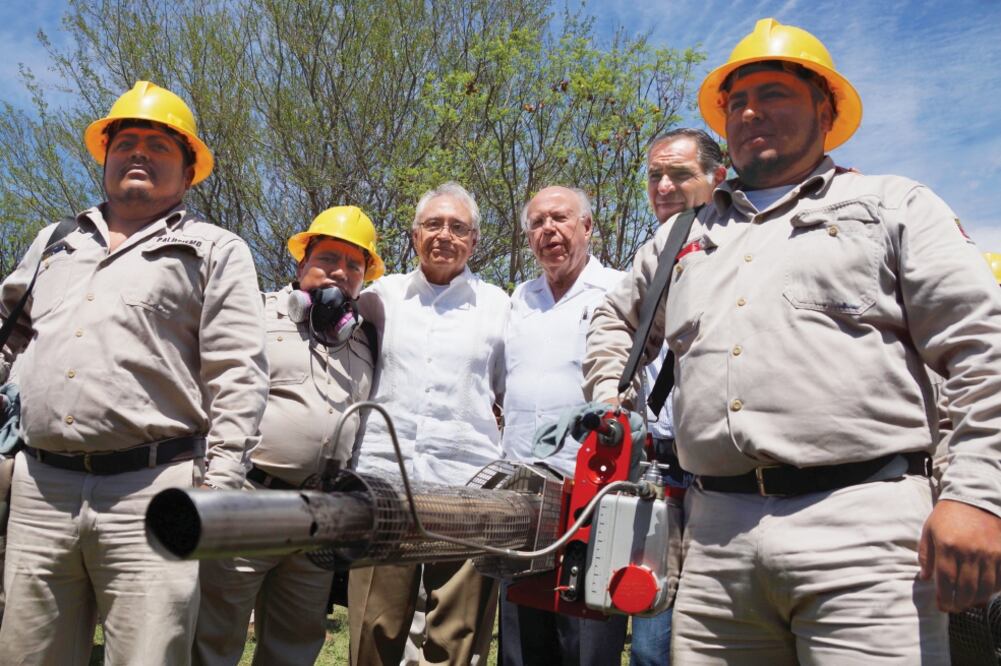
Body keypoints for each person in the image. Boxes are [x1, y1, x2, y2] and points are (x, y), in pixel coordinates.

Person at [584, 18, 1001, 663]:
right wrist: (612, 399)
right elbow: (613, 320)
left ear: (825, 108)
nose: (752, 111)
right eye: (737, 101)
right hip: (713, 543)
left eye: (775, 93)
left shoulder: (894, 206)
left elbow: (981, 348)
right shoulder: (682, 237)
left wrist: (977, 495)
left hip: (865, 533)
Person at [0, 81, 268, 664]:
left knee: (150, 654)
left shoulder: (214, 249)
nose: (138, 153)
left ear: (189, 169)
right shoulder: (55, 242)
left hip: (154, 489)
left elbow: (238, 372)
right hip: (40, 487)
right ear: (106, 155)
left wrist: (217, 489)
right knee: (26, 653)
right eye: (126, 142)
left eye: (158, 145)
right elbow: (8, 332)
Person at [193, 206, 384, 666]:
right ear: (302, 265)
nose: (340, 270)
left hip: (317, 515)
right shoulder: (254, 314)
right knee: (213, 639)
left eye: (354, 265)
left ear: (364, 279)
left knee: (296, 645)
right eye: (328, 258)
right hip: (248, 499)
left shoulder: (364, 342)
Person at [348, 182, 508, 666]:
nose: (444, 235)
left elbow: (510, 394)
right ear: (415, 235)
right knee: (374, 629)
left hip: (468, 488)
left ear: (474, 241)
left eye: (457, 227)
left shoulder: (500, 307)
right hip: (384, 483)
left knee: (454, 639)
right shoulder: (381, 296)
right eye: (433, 225)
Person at [499, 185, 628, 665]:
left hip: (593, 493)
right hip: (522, 494)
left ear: (588, 227)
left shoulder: (620, 290)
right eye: (537, 222)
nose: (548, 230)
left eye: (560, 218)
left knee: (586, 639)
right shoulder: (518, 300)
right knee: (521, 640)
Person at [631, 129, 725, 666]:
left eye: (680, 175)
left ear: (717, 178)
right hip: (661, 474)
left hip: (724, 481)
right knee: (649, 638)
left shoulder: (737, 245)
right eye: (654, 176)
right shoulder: (652, 256)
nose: (664, 186)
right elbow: (617, 326)